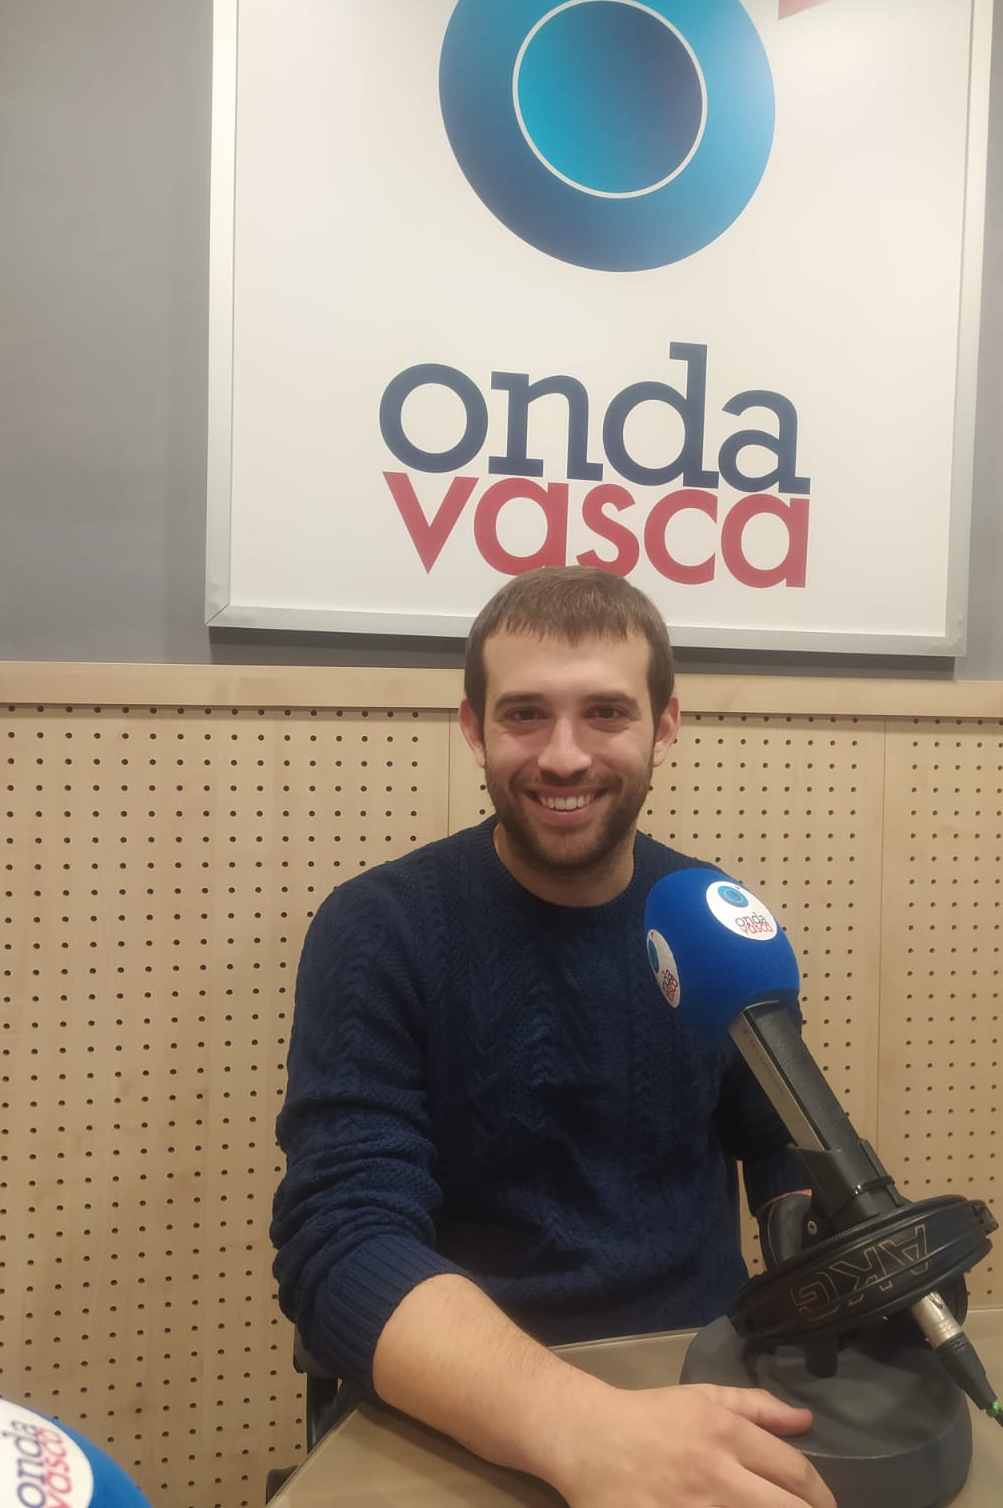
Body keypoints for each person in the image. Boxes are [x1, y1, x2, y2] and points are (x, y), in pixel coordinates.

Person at [271, 566, 835, 1508]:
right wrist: (587, 1429)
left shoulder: (710, 920)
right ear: (474, 729)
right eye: (525, 715)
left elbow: (787, 1151)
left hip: (704, 1381)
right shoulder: (380, 929)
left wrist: (845, 1256)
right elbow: (343, 1244)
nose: (564, 756)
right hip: (465, 1411)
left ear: (664, 727)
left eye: (605, 713)